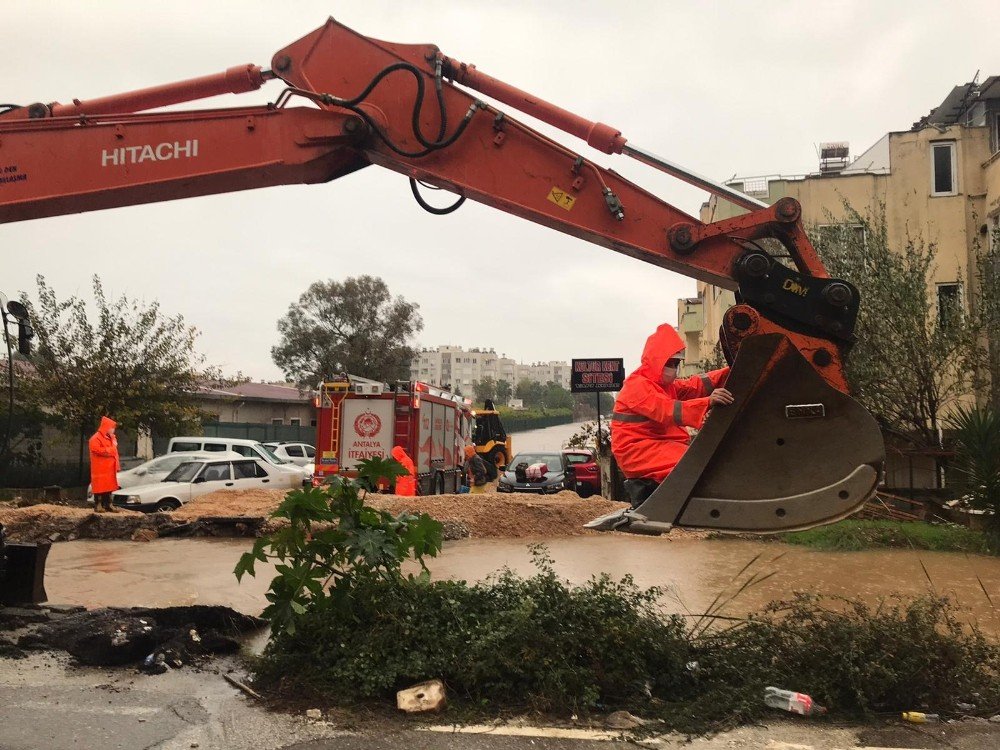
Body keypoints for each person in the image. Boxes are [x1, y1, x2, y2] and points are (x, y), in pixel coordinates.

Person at [611, 323, 733, 484]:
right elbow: (668, 410)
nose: (674, 369)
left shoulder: (663, 385)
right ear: (657, 361)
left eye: (676, 364)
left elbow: (694, 385)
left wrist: (730, 370)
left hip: (655, 446)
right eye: (670, 363)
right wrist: (708, 402)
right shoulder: (638, 386)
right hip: (637, 451)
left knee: (702, 460)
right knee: (696, 463)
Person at [89, 416, 120, 513]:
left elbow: (115, 453)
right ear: (106, 427)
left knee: (109, 487)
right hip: (100, 468)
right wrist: (111, 450)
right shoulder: (95, 438)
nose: (113, 430)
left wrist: (117, 465)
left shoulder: (112, 438)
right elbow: (96, 450)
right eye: (112, 427)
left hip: (110, 467)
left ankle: (108, 504)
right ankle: (98, 505)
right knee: (99, 487)